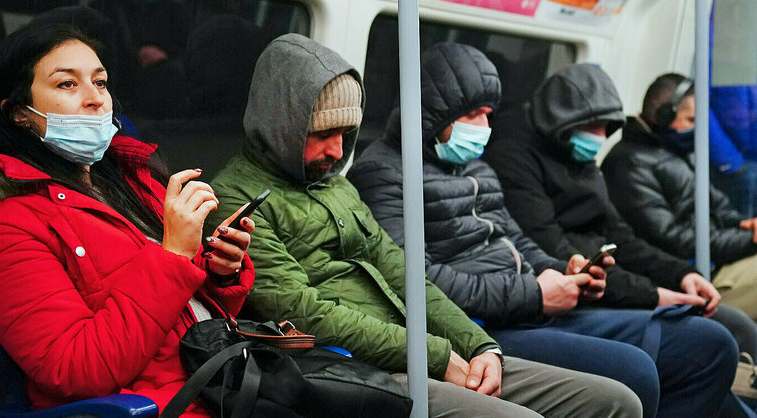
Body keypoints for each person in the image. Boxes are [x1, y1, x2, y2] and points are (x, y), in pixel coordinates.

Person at [208, 33, 642, 417]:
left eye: (347, 133)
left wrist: (477, 345)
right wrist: (435, 355)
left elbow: (403, 271)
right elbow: (302, 311)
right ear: (280, 126)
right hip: (344, 364)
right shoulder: (235, 198)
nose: (338, 151)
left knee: (616, 401)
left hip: (416, 347)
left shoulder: (336, 187)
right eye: (321, 134)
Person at [348, 42, 741, 418]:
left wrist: (562, 270)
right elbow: (415, 281)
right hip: (482, 326)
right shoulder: (384, 173)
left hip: (528, 305)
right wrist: (535, 293)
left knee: (709, 343)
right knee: (635, 371)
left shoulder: (477, 168)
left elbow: (513, 240)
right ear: (434, 113)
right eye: (472, 116)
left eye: (488, 114)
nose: (485, 128)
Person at [0, 25, 255, 416]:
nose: (95, 99)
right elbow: (74, 367)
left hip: (217, 381)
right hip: (154, 405)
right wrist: (175, 257)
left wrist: (219, 272)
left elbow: (182, 317)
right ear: (18, 114)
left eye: (100, 82)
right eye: (67, 84)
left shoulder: (129, 183)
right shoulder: (1, 228)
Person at [601, 73, 757, 322]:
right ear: (664, 116)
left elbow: (717, 205)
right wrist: (749, 241)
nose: (696, 129)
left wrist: (744, 224)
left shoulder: (678, 151)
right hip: (688, 275)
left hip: (714, 259)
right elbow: (676, 239)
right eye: (691, 120)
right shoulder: (628, 164)